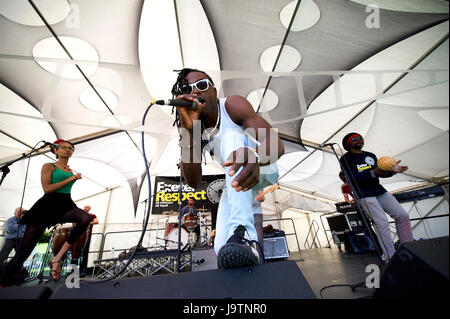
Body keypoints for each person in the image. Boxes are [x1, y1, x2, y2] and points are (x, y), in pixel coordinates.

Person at [171, 68, 284, 269]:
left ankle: (242, 232)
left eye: (202, 85)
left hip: (264, 167)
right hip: (238, 180)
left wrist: (255, 157)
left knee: (232, 137)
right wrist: (188, 132)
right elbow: (193, 181)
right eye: (188, 89)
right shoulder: (194, 128)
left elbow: (277, 143)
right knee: (221, 246)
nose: (196, 92)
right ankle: (246, 249)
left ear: (214, 90)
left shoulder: (232, 105)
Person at [0, 139, 91, 287]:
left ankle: (57, 258)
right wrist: (72, 178)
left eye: (71, 148)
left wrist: (71, 176)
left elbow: (65, 189)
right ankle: (3, 283)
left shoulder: (69, 169)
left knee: (84, 218)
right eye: (64, 147)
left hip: (65, 203)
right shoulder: (49, 166)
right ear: (55, 150)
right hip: (47, 206)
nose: (68, 150)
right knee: (23, 253)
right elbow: (47, 189)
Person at [339, 132, 413, 261]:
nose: (359, 140)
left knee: (402, 215)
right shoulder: (346, 159)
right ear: (347, 144)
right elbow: (352, 177)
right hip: (364, 194)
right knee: (382, 223)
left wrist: (391, 172)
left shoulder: (370, 155)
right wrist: (373, 172)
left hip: (379, 191)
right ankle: (390, 256)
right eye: (354, 139)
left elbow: (381, 173)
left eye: (360, 138)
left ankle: (408, 247)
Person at [79, 205, 98, 277]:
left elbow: (96, 221)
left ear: (89, 209)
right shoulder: (79, 214)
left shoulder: (92, 215)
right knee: (76, 254)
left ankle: (83, 269)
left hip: (87, 236)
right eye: (85, 207)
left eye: (87, 207)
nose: (85, 208)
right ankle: (74, 270)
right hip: (78, 236)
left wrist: (87, 223)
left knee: (85, 253)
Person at [253, 189, 265, 261]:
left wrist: (261, 198)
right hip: (245, 213)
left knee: (259, 237)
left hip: (256, 213)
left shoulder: (258, 184)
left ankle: (261, 260)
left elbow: (262, 198)